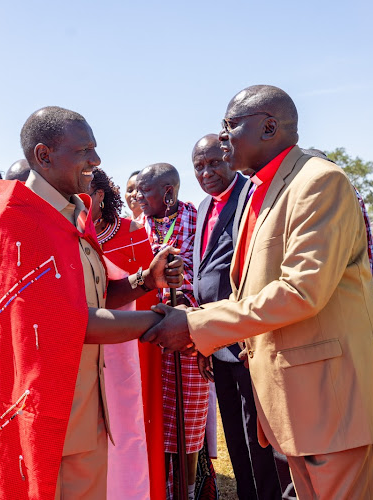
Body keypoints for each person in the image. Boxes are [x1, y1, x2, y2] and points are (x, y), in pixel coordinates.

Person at [142, 85, 373, 499]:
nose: (223, 137)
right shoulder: (261, 191)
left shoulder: (319, 181)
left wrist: (196, 325)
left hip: (332, 403)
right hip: (295, 403)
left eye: (230, 125)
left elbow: (301, 290)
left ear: (268, 127)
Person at [0, 106, 184, 500]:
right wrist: (166, 321)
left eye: (95, 148)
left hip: (86, 405)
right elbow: (69, 322)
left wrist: (143, 282)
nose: (96, 160)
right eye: (84, 150)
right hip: (49, 412)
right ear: (44, 155)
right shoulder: (17, 222)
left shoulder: (71, 214)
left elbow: (94, 297)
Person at [191, 133, 287, 500]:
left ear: (229, 157)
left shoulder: (251, 196)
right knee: (235, 433)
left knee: (258, 436)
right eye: (199, 166)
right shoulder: (204, 207)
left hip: (246, 337)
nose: (207, 171)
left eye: (214, 162)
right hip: (217, 340)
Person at [135, 162, 210, 499]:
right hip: (151, 337)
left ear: (168, 192)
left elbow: (209, 276)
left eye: (144, 191)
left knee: (189, 424)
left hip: (189, 335)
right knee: (154, 421)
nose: (137, 196)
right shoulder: (138, 227)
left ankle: (188, 490)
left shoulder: (198, 221)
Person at [89, 167, 164, 500]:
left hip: (133, 349)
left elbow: (148, 293)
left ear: (100, 196)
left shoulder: (133, 232)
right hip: (88, 348)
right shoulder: (68, 235)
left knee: (134, 423)